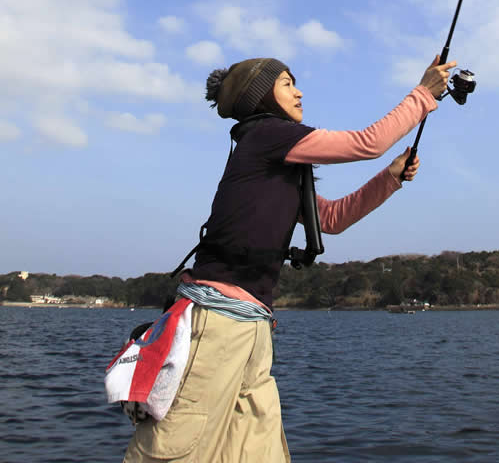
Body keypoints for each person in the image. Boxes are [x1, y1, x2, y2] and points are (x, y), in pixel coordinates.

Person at [122, 53, 454, 463]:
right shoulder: (265, 136)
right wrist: (423, 94)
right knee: (177, 447)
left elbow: (330, 218)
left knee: (259, 452)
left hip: (253, 327)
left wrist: (389, 178)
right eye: (286, 83)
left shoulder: (281, 161)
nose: (298, 91)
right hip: (216, 322)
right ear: (261, 98)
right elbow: (368, 142)